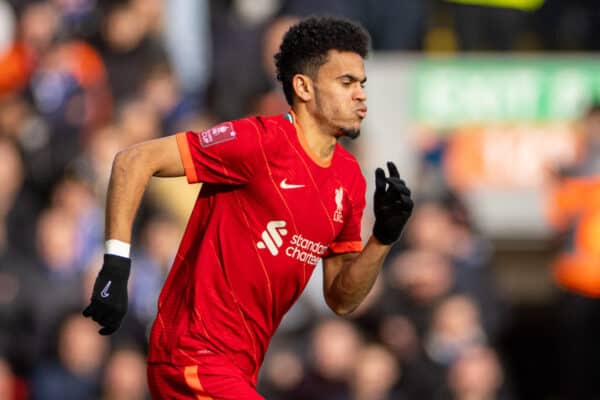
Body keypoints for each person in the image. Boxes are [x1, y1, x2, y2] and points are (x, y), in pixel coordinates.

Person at [83, 16, 413, 399]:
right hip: (192, 355)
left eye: (362, 83)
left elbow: (341, 298)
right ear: (304, 87)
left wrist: (383, 238)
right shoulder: (259, 141)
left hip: (240, 370)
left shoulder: (349, 180)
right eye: (346, 82)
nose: (360, 95)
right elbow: (133, 160)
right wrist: (116, 266)